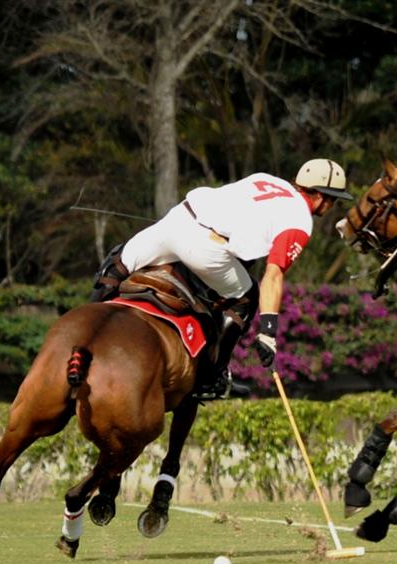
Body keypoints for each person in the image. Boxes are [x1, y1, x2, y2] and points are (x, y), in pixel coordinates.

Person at [90, 159, 353, 399]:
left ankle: (86, 335)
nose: (332, 206)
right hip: (203, 247)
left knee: (119, 262)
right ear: (320, 196)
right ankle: (213, 377)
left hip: (177, 218)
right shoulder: (300, 221)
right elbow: (273, 276)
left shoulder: (267, 179)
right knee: (247, 296)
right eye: (333, 200)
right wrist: (268, 331)